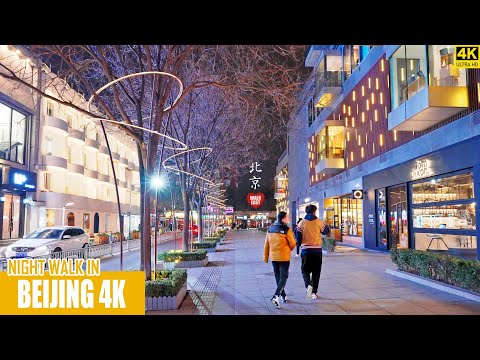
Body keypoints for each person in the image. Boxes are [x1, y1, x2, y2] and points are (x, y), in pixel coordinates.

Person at [263, 211, 296, 309]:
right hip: (284, 257)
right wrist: (290, 248)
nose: (288, 219)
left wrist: (265, 257)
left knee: (278, 277)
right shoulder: (287, 229)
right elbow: (293, 243)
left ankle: (283, 296)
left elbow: (266, 244)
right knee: (284, 277)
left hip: (274, 257)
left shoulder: (270, 229)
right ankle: (276, 296)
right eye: (287, 217)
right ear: (283, 219)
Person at [296, 204, 327, 300]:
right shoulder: (319, 222)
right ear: (314, 211)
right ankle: (314, 293)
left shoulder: (301, 223)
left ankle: (308, 286)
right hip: (317, 251)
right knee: (316, 271)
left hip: (306, 251)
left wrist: (299, 246)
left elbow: (297, 237)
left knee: (305, 270)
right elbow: (326, 231)